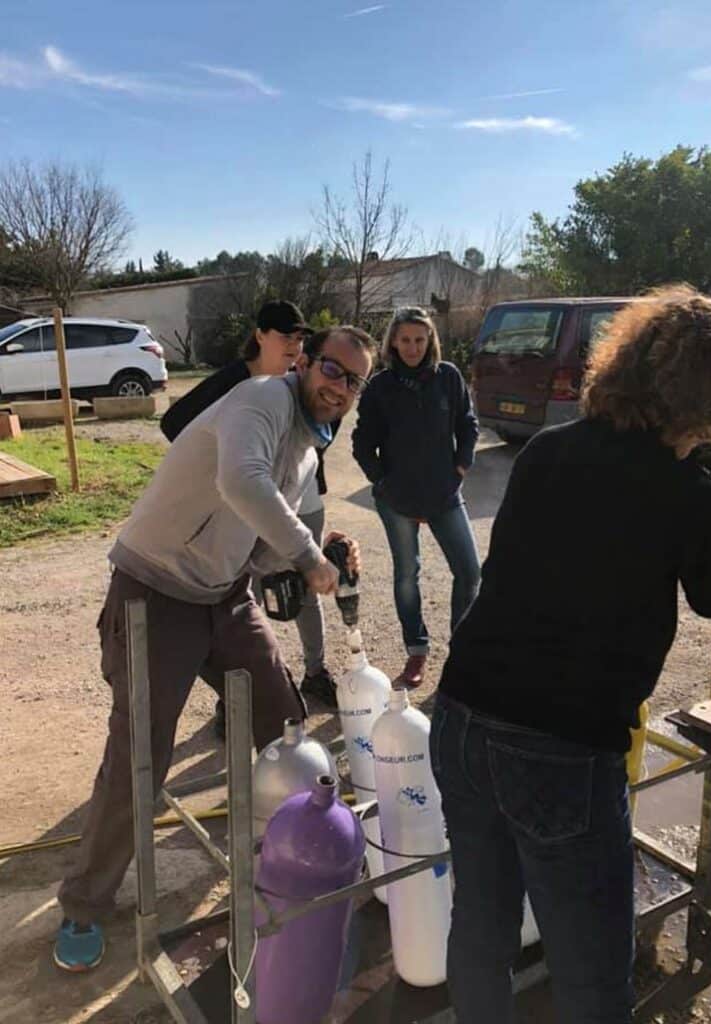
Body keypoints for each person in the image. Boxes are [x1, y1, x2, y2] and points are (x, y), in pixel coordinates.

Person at [430, 285, 711, 1024]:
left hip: (461, 718)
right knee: (591, 972)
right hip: (561, 751)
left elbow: (691, 516)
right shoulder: (690, 494)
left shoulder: (552, 450)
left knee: (481, 928)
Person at [54, 325, 376, 973]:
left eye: (353, 381)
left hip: (224, 595)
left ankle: (302, 851)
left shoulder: (309, 452)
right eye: (332, 370)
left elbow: (256, 548)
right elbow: (241, 482)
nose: (338, 387)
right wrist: (309, 558)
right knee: (140, 752)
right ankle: (84, 904)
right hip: (152, 588)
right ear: (306, 363)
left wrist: (323, 549)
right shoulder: (262, 399)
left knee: (286, 723)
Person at [161, 299, 340, 715]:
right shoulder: (236, 381)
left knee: (308, 585)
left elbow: (324, 431)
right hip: (244, 506)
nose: (294, 345)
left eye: (300, 337)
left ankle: (316, 672)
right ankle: (235, 695)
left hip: (303, 501)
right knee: (246, 602)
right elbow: (174, 423)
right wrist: (215, 467)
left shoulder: (306, 378)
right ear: (260, 335)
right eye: (285, 336)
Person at [352, 307, 480, 687]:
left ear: (431, 341)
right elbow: (362, 444)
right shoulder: (380, 387)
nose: (412, 347)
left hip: (445, 493)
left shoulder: (448, 377)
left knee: (470, 572)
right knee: (407, 574)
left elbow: (467, 424)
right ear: (393, 340)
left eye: (420, 340)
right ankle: (416, 652)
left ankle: (464, 650)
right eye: (405, 339)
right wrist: (383, 485)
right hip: (397, 500)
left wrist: (460, 467)